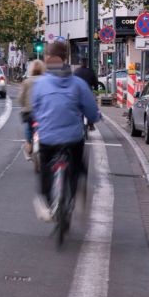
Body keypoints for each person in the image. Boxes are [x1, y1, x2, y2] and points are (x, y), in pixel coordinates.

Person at [30, 41, 101, 222]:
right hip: (72, 137)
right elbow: (91, 111)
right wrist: (93, 118)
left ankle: (45, 202)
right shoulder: (78, 84)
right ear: (66, 58)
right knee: (78, 161)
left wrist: (41, 120)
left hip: (47, 136)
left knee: (45, 166)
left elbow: (34, 110)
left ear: (47, 59)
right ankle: (79, 186)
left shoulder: (40, 84)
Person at [18, 59, 46, 161]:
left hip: (29, 111)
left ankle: (28, 147)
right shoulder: (45, 80)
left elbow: (21, 97)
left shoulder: (26, 81)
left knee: (29, 129)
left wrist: (23, 105)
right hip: (42, 112)